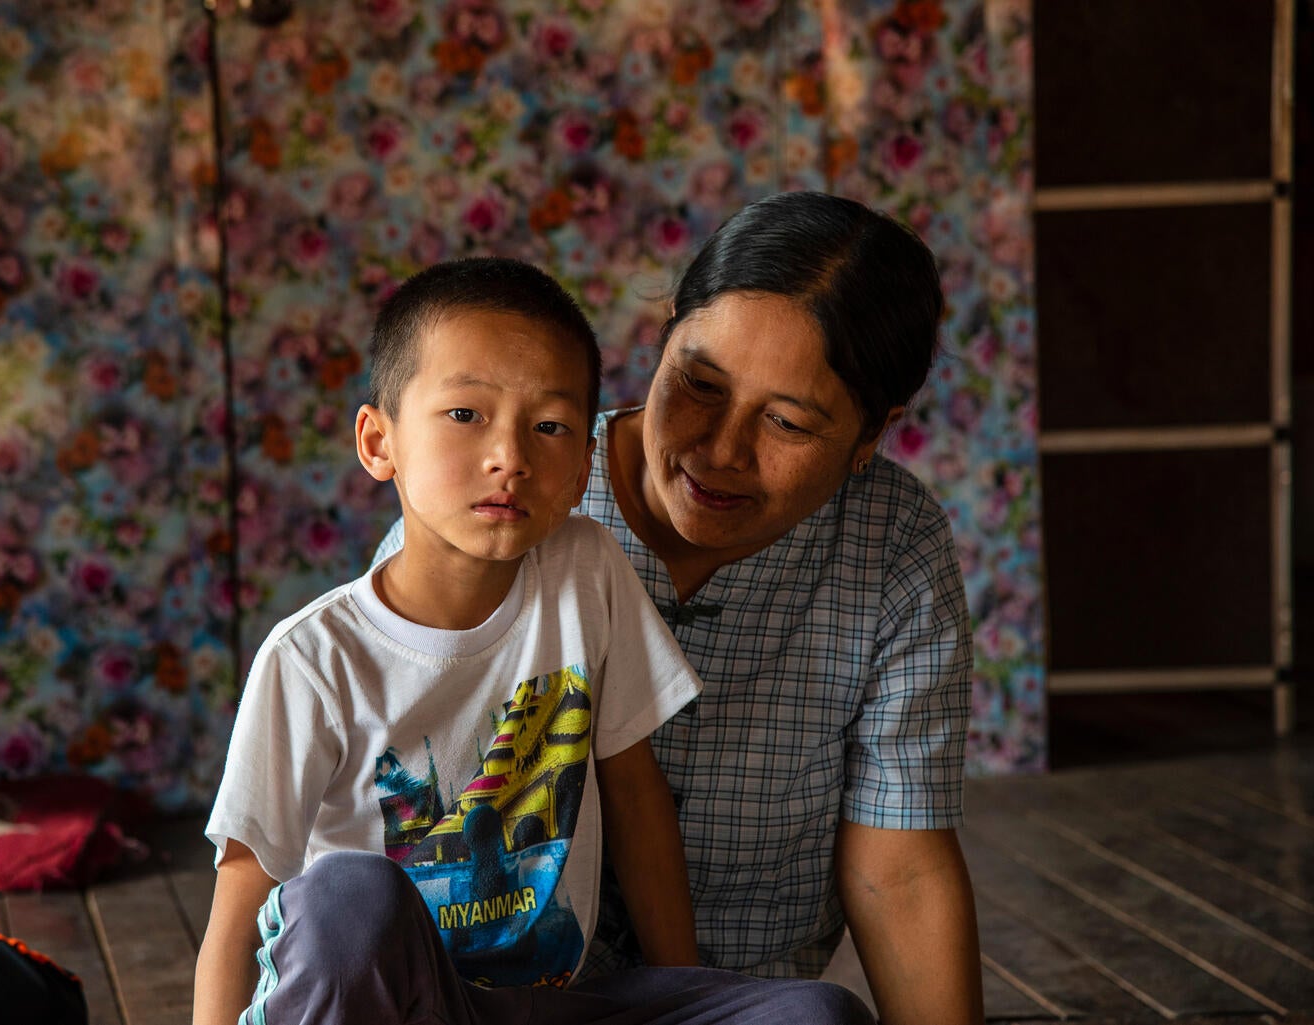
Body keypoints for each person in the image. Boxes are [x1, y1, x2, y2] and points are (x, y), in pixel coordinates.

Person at [194, 256, 874, 1025]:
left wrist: (692, 993)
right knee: (348, 893)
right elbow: (243, 896)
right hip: (396, 1006)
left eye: (549, 426)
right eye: (465, 416)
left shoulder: (585, 569)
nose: (509, 457)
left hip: (542, 1007)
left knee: (820, 1015)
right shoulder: (313, 658)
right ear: (378, 442)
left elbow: (636, 796)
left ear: (584, 462)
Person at [374, 191, 983, 1025]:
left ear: (871, 437)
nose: (720, 450)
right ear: (662, 336)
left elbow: (899, 866)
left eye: (788, 422)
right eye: (698, 383)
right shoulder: (514, 501)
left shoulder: (893, 543)